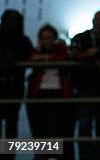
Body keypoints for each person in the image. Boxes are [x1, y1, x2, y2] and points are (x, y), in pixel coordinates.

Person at [69, 10, 100, 160]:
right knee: (92, 127)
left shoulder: (80, 38)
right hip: (94, 88)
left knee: (94, 127)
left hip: (94, 88)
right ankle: (93, 156)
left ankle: (90, 156)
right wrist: (97, 58)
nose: (99, 23)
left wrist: (87, 57)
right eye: (98, 20)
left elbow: (76, 56)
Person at [27, 24, 72, 158]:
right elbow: (31, 58)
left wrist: (44, 58)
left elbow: (63, 57)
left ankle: (49, 156)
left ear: (54, 39)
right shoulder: (36, 51)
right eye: (44, 38)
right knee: (39, 131)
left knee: (53, 130)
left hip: (57, 94)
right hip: (38, 95)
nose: (47, 41)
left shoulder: (60, 50)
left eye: (49, 38)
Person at [0, 9, 33, 160]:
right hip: (12, 87)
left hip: (14, 88)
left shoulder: (24, 41)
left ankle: (8, 156)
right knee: (11, 125)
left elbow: (29, 56)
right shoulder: (24, 40)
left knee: (12, 125)